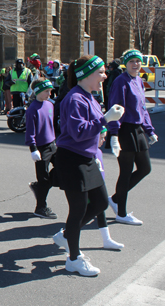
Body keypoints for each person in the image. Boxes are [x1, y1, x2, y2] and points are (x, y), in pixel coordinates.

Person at [52, 54, 124, 276]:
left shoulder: (90, 97)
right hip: (72, 159)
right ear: (86, 75)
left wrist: (105, 131)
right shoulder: (74, 98)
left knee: (101, 202)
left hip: (87, 158)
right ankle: (73, 258)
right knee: (79, 209)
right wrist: (105, 120)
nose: (104, 76)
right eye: (101, 72)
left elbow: (91, 128)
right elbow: (78, 131)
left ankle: (66, 235)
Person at [107, 49, 158, 225]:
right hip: (124, 129)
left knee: (145, 168)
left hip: (138, 129)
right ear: (125, 64)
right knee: (126, 172)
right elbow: (115, 108)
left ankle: (114, 198)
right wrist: (114, 134)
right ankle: (121, 212)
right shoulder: (121, 81)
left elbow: (143, 108)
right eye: (132, 61)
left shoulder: (138, 81)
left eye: (138, 61)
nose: (135, 64)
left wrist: (149, 130)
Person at [24, 78, 58, 219]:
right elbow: (30, 132)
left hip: (53, 144)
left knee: (63, 170)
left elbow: (53, 125)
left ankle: (39, 187)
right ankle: (40, 208)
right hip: (41, 148)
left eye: (50, 90)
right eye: (46, 91)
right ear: (37, 91)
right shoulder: (32, 109)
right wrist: (33, 149)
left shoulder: (50, 104)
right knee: (43, 178)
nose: (49, 93)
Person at [94, 127, 125, 249]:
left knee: (101, 211)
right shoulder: (89, 152)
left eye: (104, 137)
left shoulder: (99, 152)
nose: (103, 140)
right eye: (101, 138)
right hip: (89, 189)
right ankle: (66, 236)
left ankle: (107, 239)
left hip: (99, 186)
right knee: (80, 215)